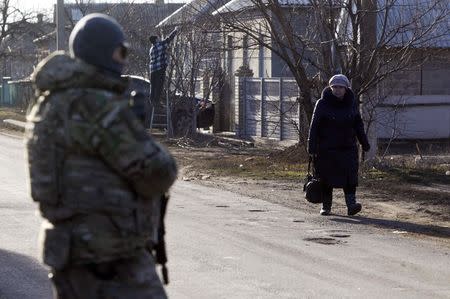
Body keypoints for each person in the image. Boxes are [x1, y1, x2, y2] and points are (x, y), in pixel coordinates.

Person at [25, 13, 177, 299]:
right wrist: (137, 129)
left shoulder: (46, 104)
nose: (123, 59)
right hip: (110, 257)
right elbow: (159, 173)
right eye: (121, 51)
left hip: (67, 255)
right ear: (105, 52)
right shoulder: (97, 105)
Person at [307, 74, 370, 216]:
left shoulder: (352, 103)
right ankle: (326, 206)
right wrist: (311, 148)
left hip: (347, 148)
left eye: (340, 87)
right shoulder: (322, 104)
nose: (337, 90)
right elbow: (314, 126)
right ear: (330, 87)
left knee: (350, 178)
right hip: (326, 149)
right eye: (334, 87)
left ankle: (351, 205)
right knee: (326, 178)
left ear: (346, 88)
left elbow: (358, 125)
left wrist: (364, 143)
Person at [149, 27, 178, 106]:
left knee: (153, 85)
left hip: (152, 70)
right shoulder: (159, 45)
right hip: (159, 69)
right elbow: (168, 39)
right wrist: (175, 30)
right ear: (155, 40)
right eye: (158, 38)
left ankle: (152, 100)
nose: (159, 39)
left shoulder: (151, 49)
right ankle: (157, 102)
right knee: (159, 85)